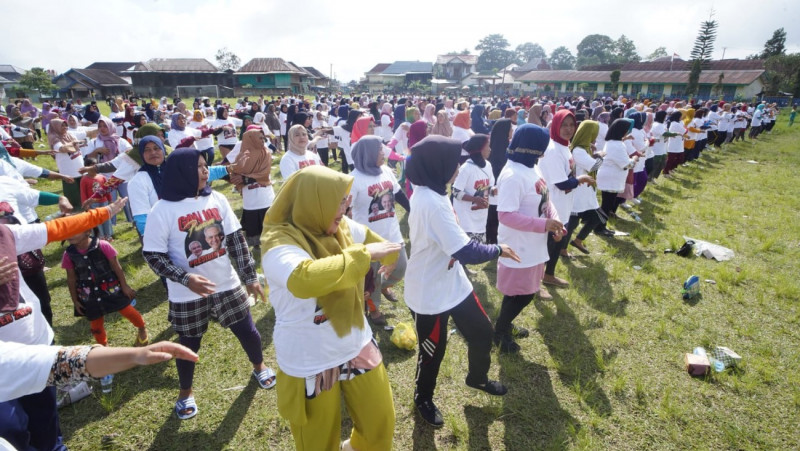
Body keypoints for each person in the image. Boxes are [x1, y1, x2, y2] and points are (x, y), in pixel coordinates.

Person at [261, 165, 400, 450]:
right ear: (315, 202)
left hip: (356, 344)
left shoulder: (342, 228)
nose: (345, 209)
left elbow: (382, 244)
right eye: (339, 201)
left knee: (380, 425)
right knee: (317, 442)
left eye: (346, 201)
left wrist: (392, 255)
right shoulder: (278, 242)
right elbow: (305, 279)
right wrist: (363, 256)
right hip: (311, 358)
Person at [142, 148, 274, 420]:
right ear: (181, 172)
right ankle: (186, 392)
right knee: (189, 343)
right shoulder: (162, 209)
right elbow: (153, 256)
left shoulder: (217, 198)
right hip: (186, 294)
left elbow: (236, 240)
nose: (205, 171)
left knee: (247, 330)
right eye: (199, 167)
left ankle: (259, 366)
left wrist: (249, 277)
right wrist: (185, 278)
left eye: (205, 166)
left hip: (226, 284)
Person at [403, 135, 520, 426]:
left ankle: (477, 378)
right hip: (428, 292)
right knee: (432, 352)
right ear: (438, 165)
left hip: (453, 282)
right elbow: (467, 252)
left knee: (482, 332)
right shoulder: (431, 201)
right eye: (455, 162)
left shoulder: (431, 188)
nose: (459, 166)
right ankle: (423, 398)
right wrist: (498, 248)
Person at [0, 198, 129, 451]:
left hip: (36, 343)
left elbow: (59, 228)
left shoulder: (6, 233)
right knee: (11, 428)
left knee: (45, 418)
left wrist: (104, 213)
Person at [494, 123, 565, 352]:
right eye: (541, 147)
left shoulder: (532, 168)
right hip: (518, 246)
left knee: (522, 292)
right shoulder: (513, 175)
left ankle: (505, 326)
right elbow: (505, 215)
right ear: (532, 148)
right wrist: (543, 224)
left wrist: (554, 221)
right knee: (520, 295)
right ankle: (500, 332)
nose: (544, 153)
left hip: (532, 245)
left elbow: (546, 198)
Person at [349, 136, 410, 326]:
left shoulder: (385, 171)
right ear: (368, 153)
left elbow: (398, 193)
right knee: (372, 277)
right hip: (370, 240)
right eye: (379, 150)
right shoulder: (354, 179)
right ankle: (374, 310)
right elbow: (344, 209)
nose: (384, 153)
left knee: (401, 268)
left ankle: (381, 288)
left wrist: (412, 210)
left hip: (392, 233)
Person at [62, 227, 148, 346]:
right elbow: (71, 278)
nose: (69, 235)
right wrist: (75, 300)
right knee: (95, 322)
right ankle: (103, 345)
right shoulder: (68, 254)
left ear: (88, 232)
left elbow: (116, 267)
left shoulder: (103, 245)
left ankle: (142, 328)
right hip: (88, 294)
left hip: (110, 288)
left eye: (74, 231)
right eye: (67, 232)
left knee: (127, 310)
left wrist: (124, 286)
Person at [539, 110, 591, 283]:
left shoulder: (564, 146)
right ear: (555, 126)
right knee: (549, 243)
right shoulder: (553, 149)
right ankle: (539, 278)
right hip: (554, 203)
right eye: (564, 125)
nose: (568, 129)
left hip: (564, 202)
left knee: (556, 242)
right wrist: (581, 179)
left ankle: (548, 275)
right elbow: (561, 183)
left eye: (571, 125)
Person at [230, 128, 275, 260]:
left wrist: (246, 179)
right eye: (259, 138)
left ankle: (270, 241)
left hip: (265, 194)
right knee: (252, 218)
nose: (262, 141)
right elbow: (235, 172)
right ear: (251, 139)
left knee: (266, 216)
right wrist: (238, 179)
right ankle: (255, 244)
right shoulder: (241, 156)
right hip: (250, 195)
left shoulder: (265, 153)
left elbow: (265, 173)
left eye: (263, 138)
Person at [563, 120, 603, 254]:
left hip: (585, 191)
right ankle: (563, 249)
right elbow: (593, 166)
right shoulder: (579, 150)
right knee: (573, 222)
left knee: (594, 218)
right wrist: (600, 156)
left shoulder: (584, 148)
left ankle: (577, 241)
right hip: (579, 191)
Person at [596, 119, 639, 229]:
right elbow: (626, 164)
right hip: (611, 178)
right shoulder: (617, 145)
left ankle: (601, 226)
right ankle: (600, 227)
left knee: (607, 204)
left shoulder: (613, 142)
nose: (627, 132)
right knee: (606, 205)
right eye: (626, 131)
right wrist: (634, 158)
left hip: (610, 177)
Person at [452, 134, 495, 243]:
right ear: (480, 149)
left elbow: (489, 188)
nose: (490, 149)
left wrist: (494, 191)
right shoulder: (466, 168)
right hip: (466, 217)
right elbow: (455, 192)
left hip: (480, 215)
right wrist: (475, 199)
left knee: (477, 252)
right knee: (464, 250)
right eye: (488, 146)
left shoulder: (488, 166)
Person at [79, 157, 113, 240]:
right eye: (91, 167)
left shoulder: (102, 177)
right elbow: (83, 192)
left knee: (106, 218)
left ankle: (108, 235)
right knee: (96, 220)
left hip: (103, 201)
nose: (93, 169)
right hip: (92, 204)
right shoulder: (84, 179)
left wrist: (110, 199)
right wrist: (85, 204)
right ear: (86, 168)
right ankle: (100, 236)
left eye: (95, 166)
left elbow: (106, 189)